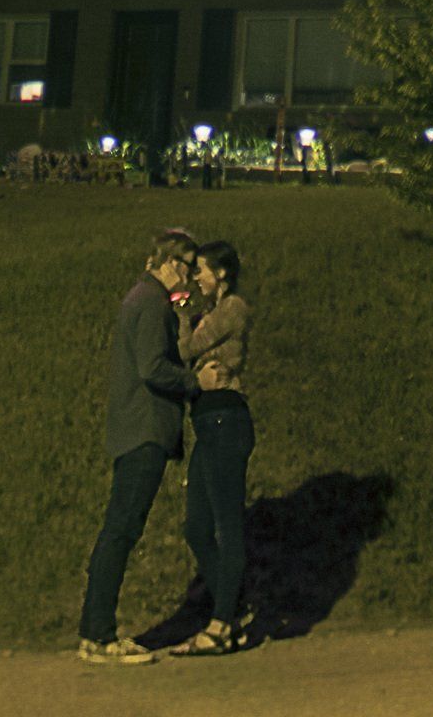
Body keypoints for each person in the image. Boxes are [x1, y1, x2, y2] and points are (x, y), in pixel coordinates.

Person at [78, 231, 201, 665]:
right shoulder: (152, 302)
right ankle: (99, 635)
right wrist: (193, 381)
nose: (190, 275)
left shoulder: (139, 298)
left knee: (118, 529)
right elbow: (153, 368)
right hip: (145, 428)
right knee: (121, 530)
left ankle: (95, 632)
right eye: (186, 265)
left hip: (132, 428)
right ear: (168, 263)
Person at [175, 237, 254, 656]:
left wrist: (180, 313)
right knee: (197, 527)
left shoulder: (233, 309)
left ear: (221, 273)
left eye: (201, 270)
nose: (195, 278)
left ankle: (223, 622)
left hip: (227, 420)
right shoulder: (211, 313)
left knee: (227, 523)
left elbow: (185, 348)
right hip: (207, 424)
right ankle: (234, 607)